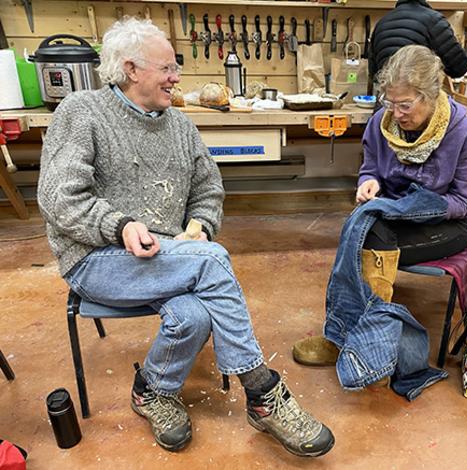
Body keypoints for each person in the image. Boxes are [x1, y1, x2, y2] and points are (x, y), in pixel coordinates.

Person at [37, 17, 334, 457]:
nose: (177, 78)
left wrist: (200, 225)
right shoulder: (82, 113)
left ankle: (151, 391)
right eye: (168, 68)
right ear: (132, 68)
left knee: (193, 314)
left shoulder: (179, 125)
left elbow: (208, 188)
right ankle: (262, 392)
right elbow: (57, 198)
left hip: (168, 255)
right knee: (212, 261)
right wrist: (119, 225)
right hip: (97, 257)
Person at [293, 46, 467, 388]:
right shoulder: (381, 125)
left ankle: (349, 341)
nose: (396, 113)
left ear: (431, 96)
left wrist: (414, 207)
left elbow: (466, 203)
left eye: (406, 105)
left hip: (447, 224)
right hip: (391, 217)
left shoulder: (465, 134)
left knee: (365, 235)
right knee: (368, 228)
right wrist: (369, 182)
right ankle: (365, 345)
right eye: (389, 103)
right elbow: (371, 168)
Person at [368, 0, 467, 92]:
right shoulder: (433, 21)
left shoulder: (381, 23)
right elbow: (459, 68)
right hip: (418, 101)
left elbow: (374, 73)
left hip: (387, 100)